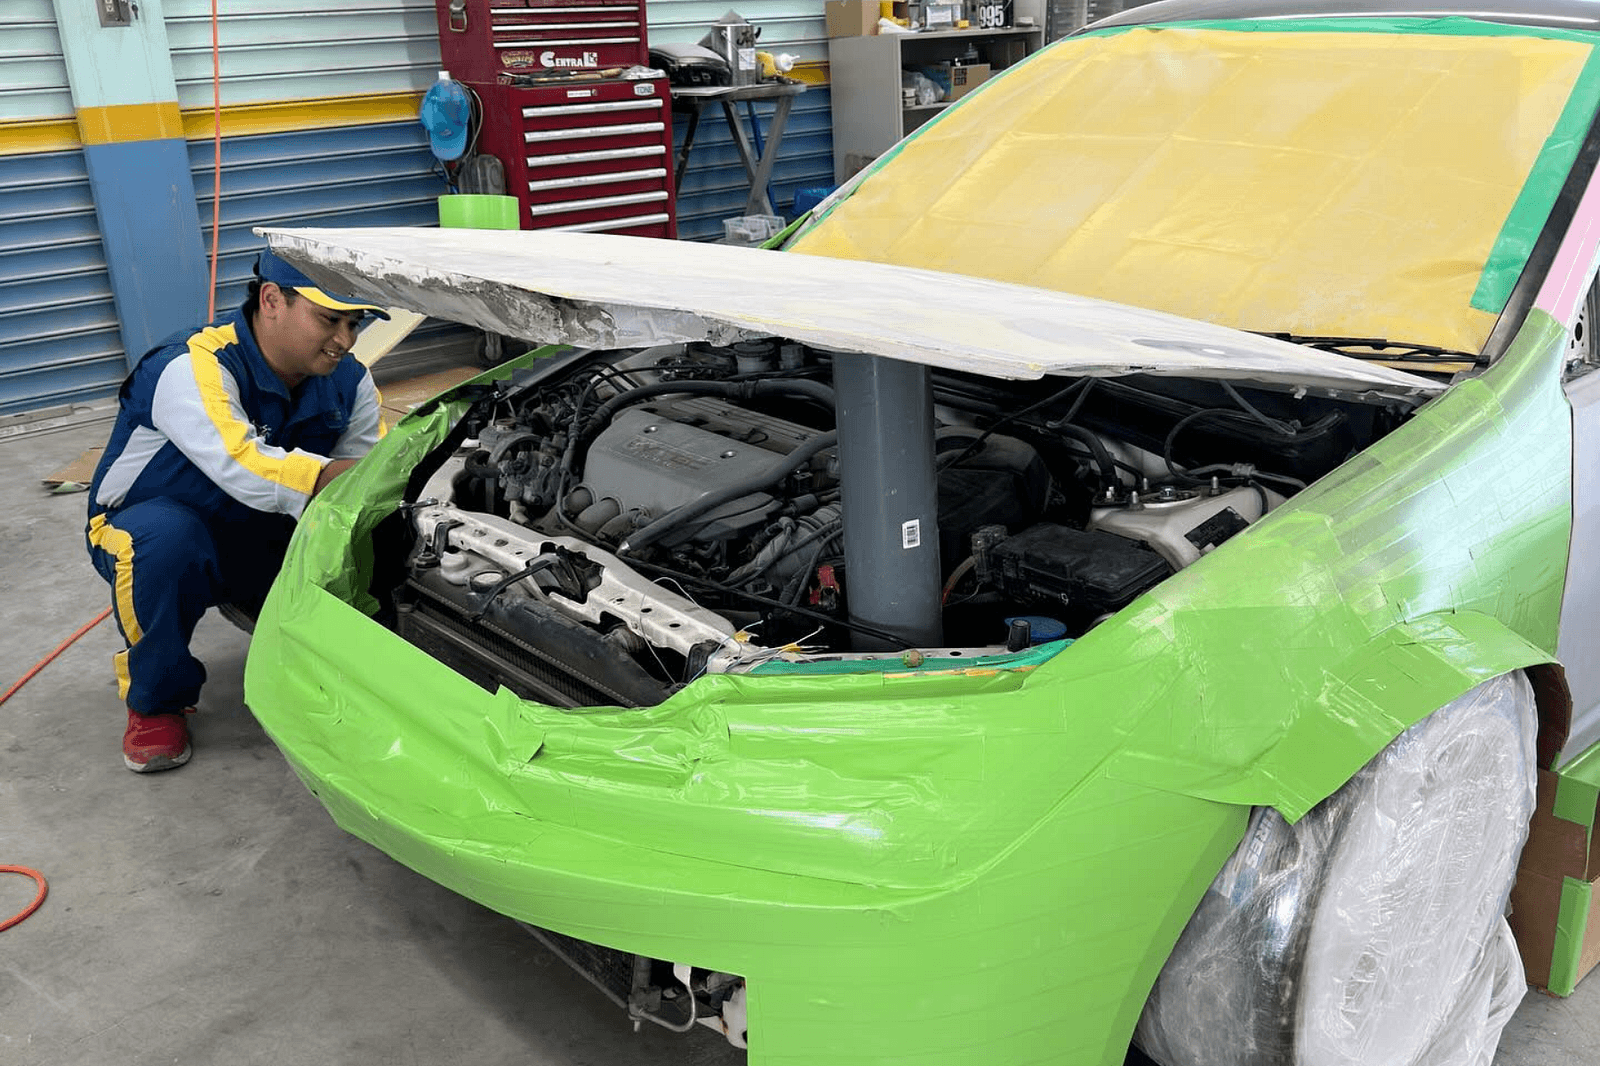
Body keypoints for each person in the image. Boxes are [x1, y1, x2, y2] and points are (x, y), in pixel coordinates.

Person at [85, 248, 391, 773]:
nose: (344, 340)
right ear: (271, 300)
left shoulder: (351, 381)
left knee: (373, 531)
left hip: (258, 529)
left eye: (354, 323)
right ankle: (157, 703)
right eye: (328, 320)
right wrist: (330, 477)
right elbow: (239, 462)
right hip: (149, 530)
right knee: (164, 543)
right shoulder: (192, 365)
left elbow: (359, 476)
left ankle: (350, 663)